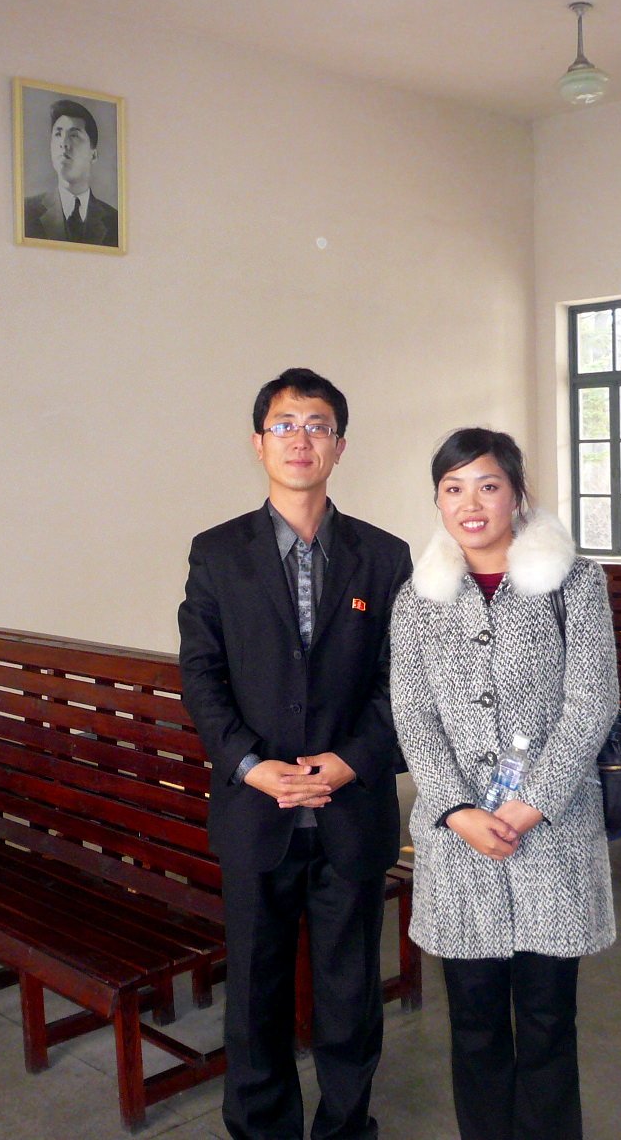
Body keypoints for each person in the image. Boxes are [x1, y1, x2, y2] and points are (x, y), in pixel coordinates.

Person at [178, 369, 412, 1140]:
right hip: (256, 812)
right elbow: (202, 676)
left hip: (350, 812)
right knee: (255, 997)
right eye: (285, 425)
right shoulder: (217, 554)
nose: (300, 438)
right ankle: (260, 1131)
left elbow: (403, 683)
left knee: (350, 999)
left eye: (317, 425)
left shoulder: (384, 557)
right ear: (259, 443)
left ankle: (347, 1129)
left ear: (339, 446)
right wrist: (249, 764)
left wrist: (350, 760)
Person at [387, 427, 618, 1140]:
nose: (471, 503)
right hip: (461, 845)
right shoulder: (417, 598)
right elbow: (412, 711)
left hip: (552, 834)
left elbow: (592, 701)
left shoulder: (574, 582)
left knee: (548, 1020)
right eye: (453, 488)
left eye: (487, 484)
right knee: (477, 1023)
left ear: (517, 494)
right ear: (437, 501)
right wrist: (455, 808)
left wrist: (530, 804)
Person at [23, 98, 119, 245]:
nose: (63, 143)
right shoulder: (27, 212)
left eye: (74, 135)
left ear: (93, 155)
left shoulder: (115, 221)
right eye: (58, 134)